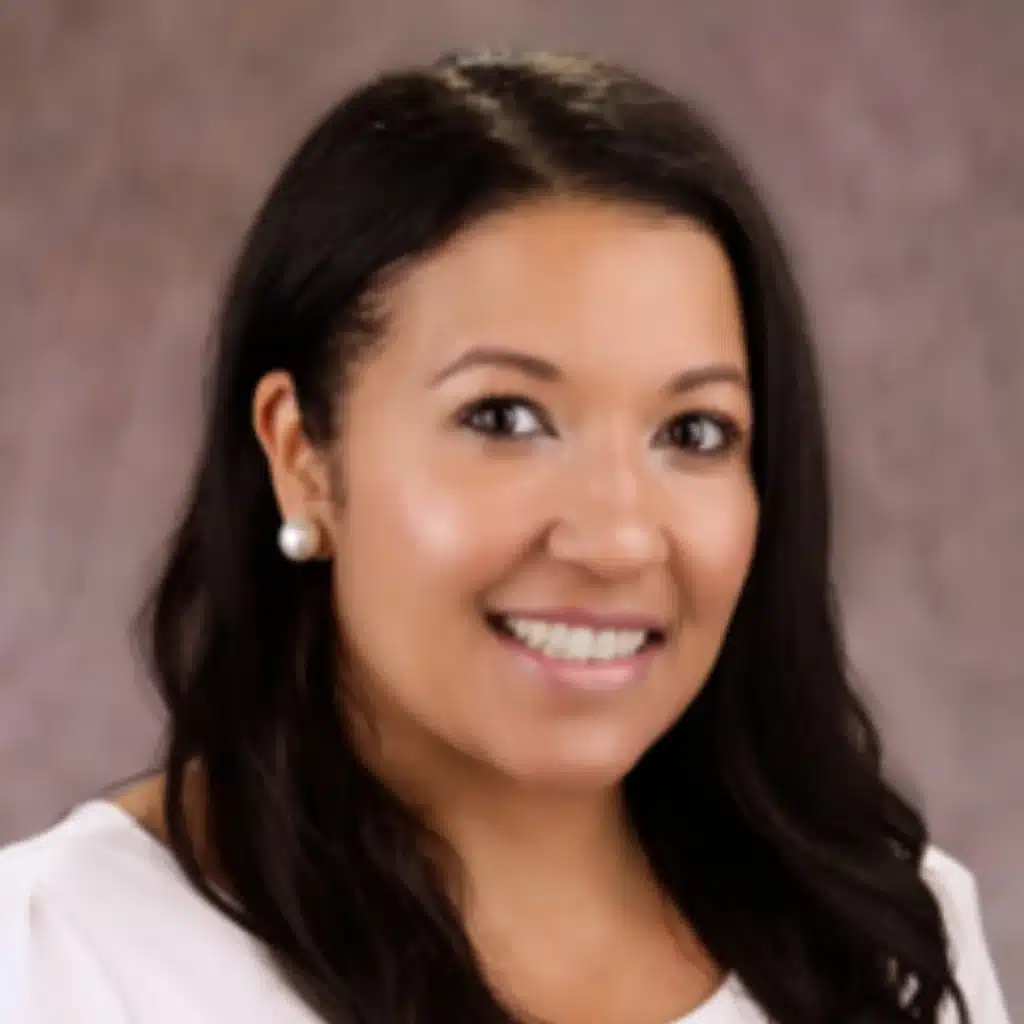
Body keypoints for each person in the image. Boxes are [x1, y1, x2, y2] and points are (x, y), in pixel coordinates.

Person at [0, 49, 1011, 1024]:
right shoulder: (64, 956)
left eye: (692, 432)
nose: (616, 539)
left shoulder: (888, 939)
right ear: (302, 451)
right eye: (504, 418)